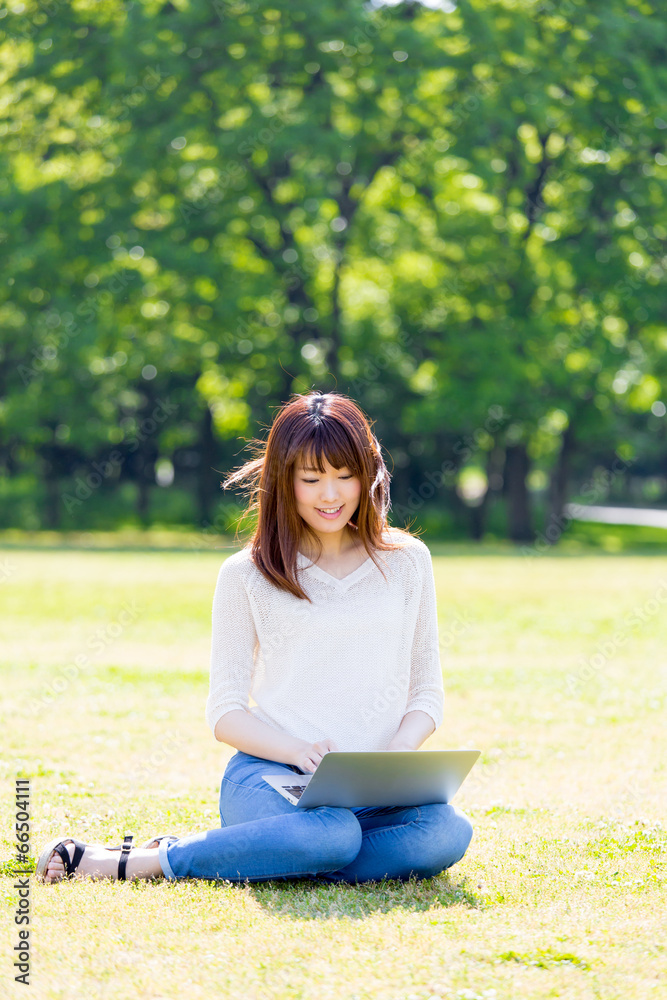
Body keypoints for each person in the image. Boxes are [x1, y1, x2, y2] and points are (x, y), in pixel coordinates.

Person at [37, 390, 473, 885]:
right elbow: (225, 713)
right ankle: (146, 862)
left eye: (344, 476)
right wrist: (296, 751)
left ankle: (281, 858)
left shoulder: (409, 561)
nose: (330, 495)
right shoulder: (246, 574)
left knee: (447, 831)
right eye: (311, 479)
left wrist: (398, 753)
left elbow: (425, 692)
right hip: (271, 779)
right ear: (283, 480)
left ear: (367, 474)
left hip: (374, 796)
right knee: (332, 835)